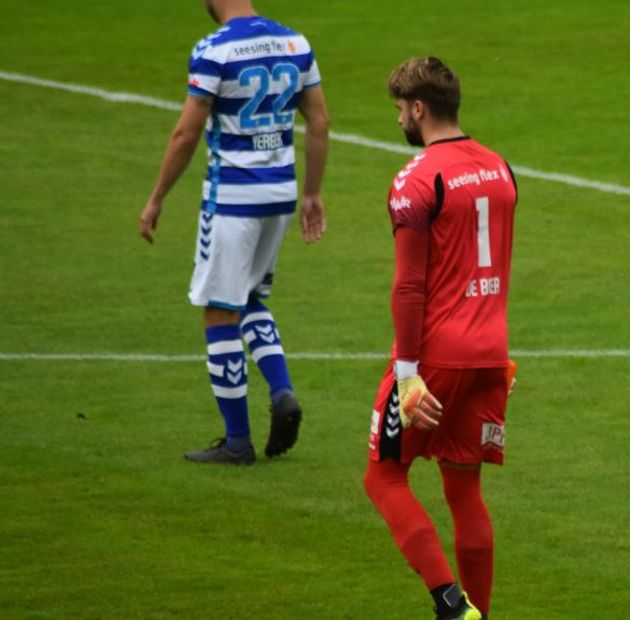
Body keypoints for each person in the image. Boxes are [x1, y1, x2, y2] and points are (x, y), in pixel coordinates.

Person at [138, 0, 329, 464]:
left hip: (233, 198)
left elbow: (186, 133)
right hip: (280, 193)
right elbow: (319, 121)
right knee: (250, 300)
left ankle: (237, 442)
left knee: (219, 310)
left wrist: (157, 196)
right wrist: (312, 194)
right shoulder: (294, 41)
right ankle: (281, 392)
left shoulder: (214, 50)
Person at [363, 57, 517, 620]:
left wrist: (407, 375)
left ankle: (451, 606)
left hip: (436, 358)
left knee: (383, 477)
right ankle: (481, 614)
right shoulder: (500, 168)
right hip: (490, 356)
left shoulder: (417, 178)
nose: (400, 118)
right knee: (464, 488)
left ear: (419, 108)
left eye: (401, 109)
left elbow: (409, 285)